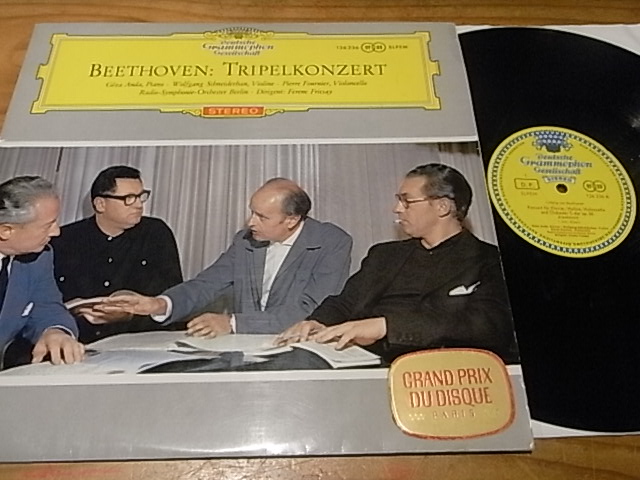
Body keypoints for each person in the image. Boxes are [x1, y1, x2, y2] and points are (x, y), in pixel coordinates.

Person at [277, 164, 519, 364]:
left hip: (433, 371)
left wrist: (386, 326)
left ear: (442, 207)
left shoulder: (490, 260)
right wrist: (317, 322)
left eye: (407, 201)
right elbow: (345, 302)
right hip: (360, 362)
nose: (396, 209)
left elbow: (486, 325)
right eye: (398, 200)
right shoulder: (384, 254)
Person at [98, 177, 353, 336]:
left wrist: (232, 323)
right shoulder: (245, 240)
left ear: (292, 220)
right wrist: (159, 304)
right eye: (252, 212)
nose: (250, 222)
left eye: (261, 217)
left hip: (303, 349)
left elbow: (311, 310)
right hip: (247, 350)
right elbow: (207, 284)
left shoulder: (332, 243)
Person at [50, 165, 183, 343]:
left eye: (141, 196)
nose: (139, 204)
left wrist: (128, 314)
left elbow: (172, 295)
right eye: (129, 198)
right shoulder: (64, 239)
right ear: (100, 204)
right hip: (80, 339)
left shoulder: (156, 233)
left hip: (141, 338)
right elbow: (48, 300)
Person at [0, 176, 83, 368]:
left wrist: (55, 331)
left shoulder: (38, 258)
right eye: (48, 225)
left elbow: (45, 305)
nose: (56, 232)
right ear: (6, 231)